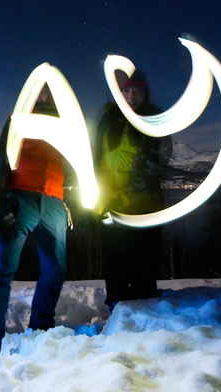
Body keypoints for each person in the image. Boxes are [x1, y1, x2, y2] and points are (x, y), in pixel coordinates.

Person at [0, 85, 71, 354]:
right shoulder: (20, 118)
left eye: (52, 91)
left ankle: (41, 328)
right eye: (44, 90)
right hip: (20, 198)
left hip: (53, 202)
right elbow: (3, 157)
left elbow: (72, 163)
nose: (48, 95)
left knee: (55, 270)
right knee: (1, 270)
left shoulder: (66, 124)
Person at [93, 70, 171, 309]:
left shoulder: (155, 119)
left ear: (145, 93)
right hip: (110, 203)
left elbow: (159, 162)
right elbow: (97, 158)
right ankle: (117, 306)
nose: (131, 95)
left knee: (144, 257)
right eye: (126, 90)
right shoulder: (108, 119)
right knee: (114, 256)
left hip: (144, 204)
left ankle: (145, 307)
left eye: (136, 90)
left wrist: (129, 194)